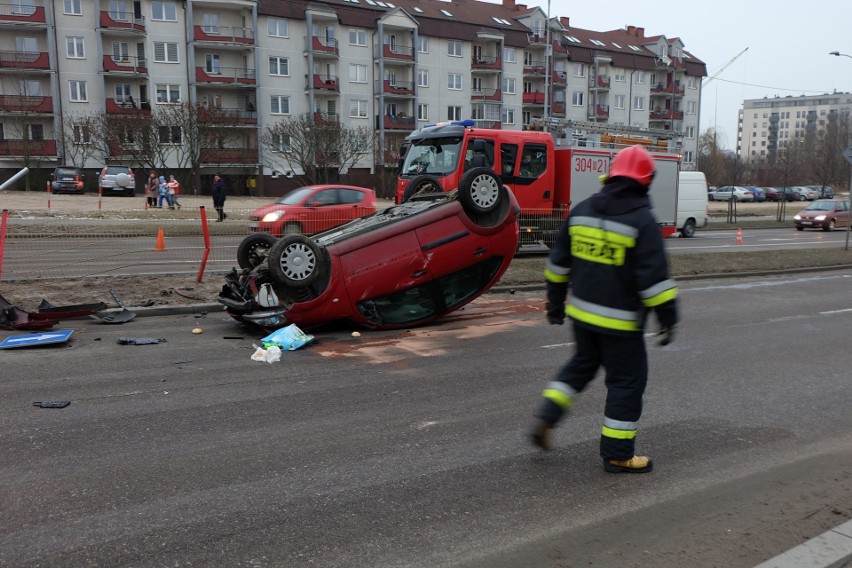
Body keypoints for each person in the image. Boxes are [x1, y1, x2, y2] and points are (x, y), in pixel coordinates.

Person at [530, 144, 678, 474]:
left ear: (609, 176)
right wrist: (668, 319)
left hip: (582, 316)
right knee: (627, 382)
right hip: (621, 325)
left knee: (581, 366)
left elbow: (557, 265)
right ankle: (618, 454)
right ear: (645, 181)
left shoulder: (581, 211)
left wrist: (555, 305)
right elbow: (654, 282)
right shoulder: (643, 221)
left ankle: (547, 416)